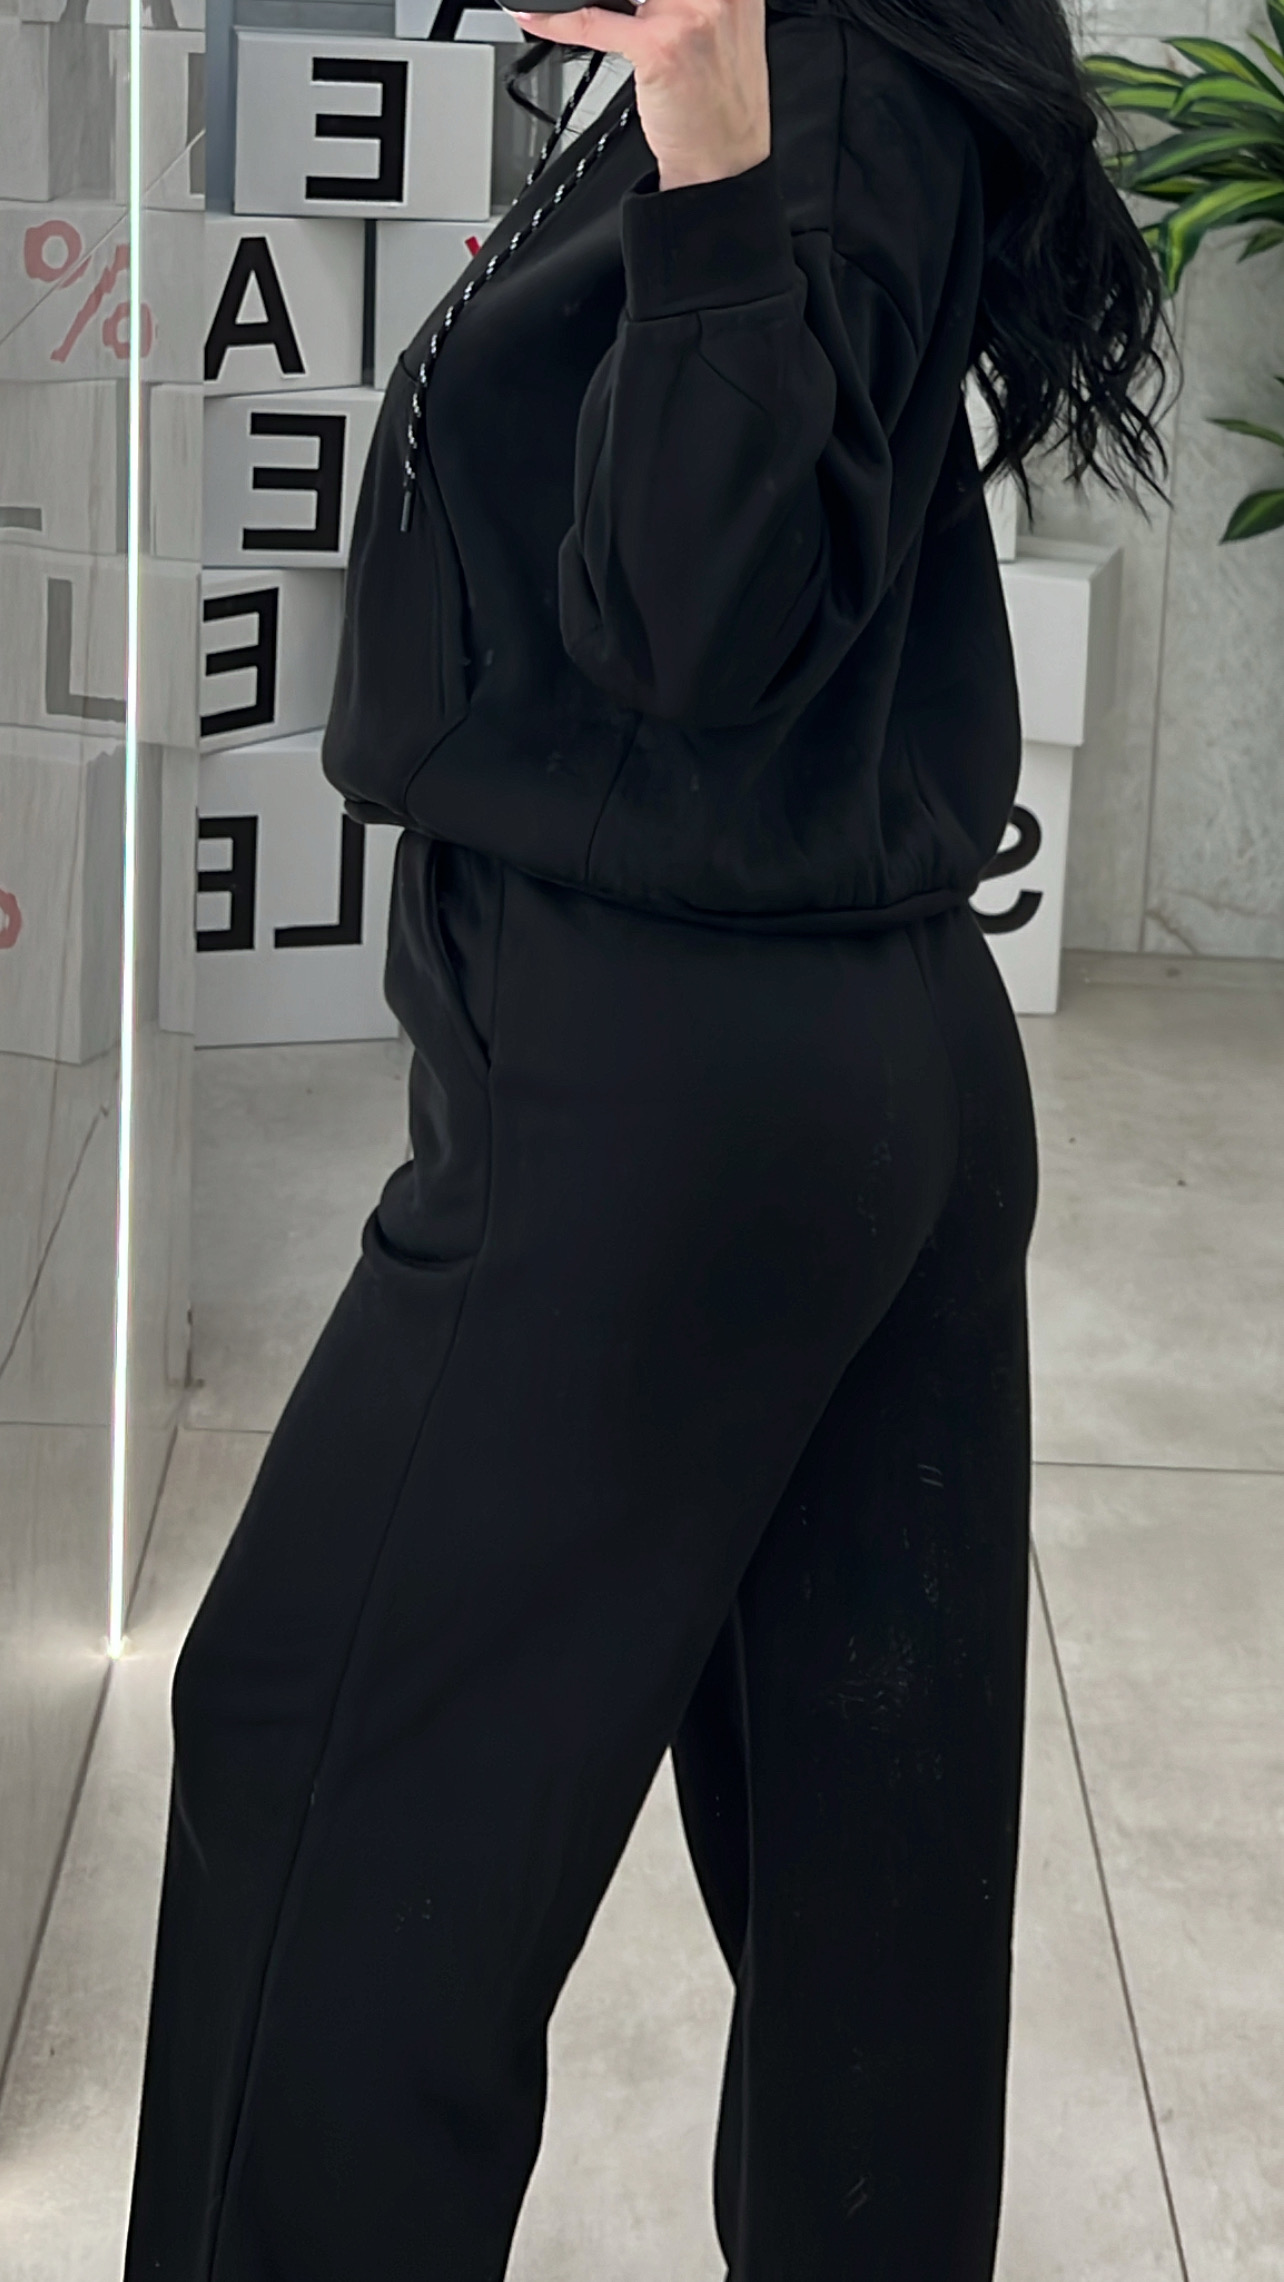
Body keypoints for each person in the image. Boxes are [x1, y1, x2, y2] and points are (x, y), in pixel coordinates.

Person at [124, 0, 1168, 2274]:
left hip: (654, 1087)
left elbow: (700, 619)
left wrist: (700, 130)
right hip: (838, 1057)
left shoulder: (812, 63)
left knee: (319, 1776)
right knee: (868, 1907)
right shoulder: (840, 56)